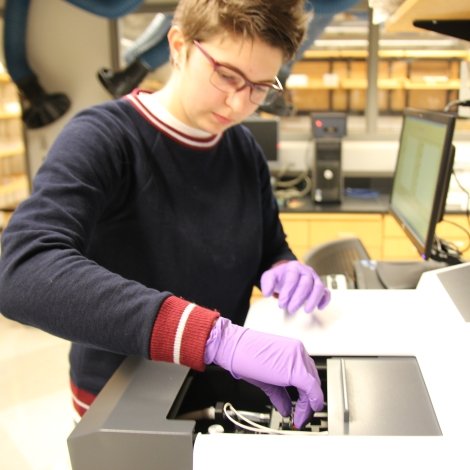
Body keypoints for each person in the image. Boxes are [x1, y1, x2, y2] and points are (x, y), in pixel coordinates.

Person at [0, 0, 330, 430]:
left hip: (214, 383)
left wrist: (284, 266)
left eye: (260, 87)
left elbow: (268, 243)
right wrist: (214, 337)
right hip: (125, 392)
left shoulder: (243, 149)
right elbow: (20, 269)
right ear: (178, 45)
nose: (237, 102)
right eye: (227, 75)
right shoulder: (102, 136)